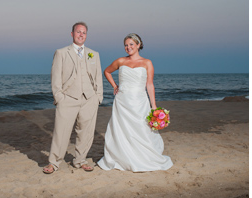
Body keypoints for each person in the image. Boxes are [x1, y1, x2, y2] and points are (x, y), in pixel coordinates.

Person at [96, 33, 173, 172]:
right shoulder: (120, 61)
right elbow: (107, 71)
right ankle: (123, 157)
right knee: (122, 130)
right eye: (126, 45)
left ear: (138, 45)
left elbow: (149, 85)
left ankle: (144, 157)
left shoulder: (147, 63)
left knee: (141, 129)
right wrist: (115, 86)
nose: (128, 47)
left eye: (131, 44)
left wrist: (153, 105)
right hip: (122, 101)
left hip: (140, 101)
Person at [44, 22, 104, 174]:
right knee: (61, 131)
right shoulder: (62, 52)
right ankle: (54, 162)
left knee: (86, 132)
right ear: (72, 34)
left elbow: (98, 76)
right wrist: (59, 97)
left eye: (84, 32)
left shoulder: (93, 54)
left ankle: (80, 160)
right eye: (78, 32)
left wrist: (98, 97)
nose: (81, 35)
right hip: (68, 98)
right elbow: (55, 76)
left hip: (89, 99)